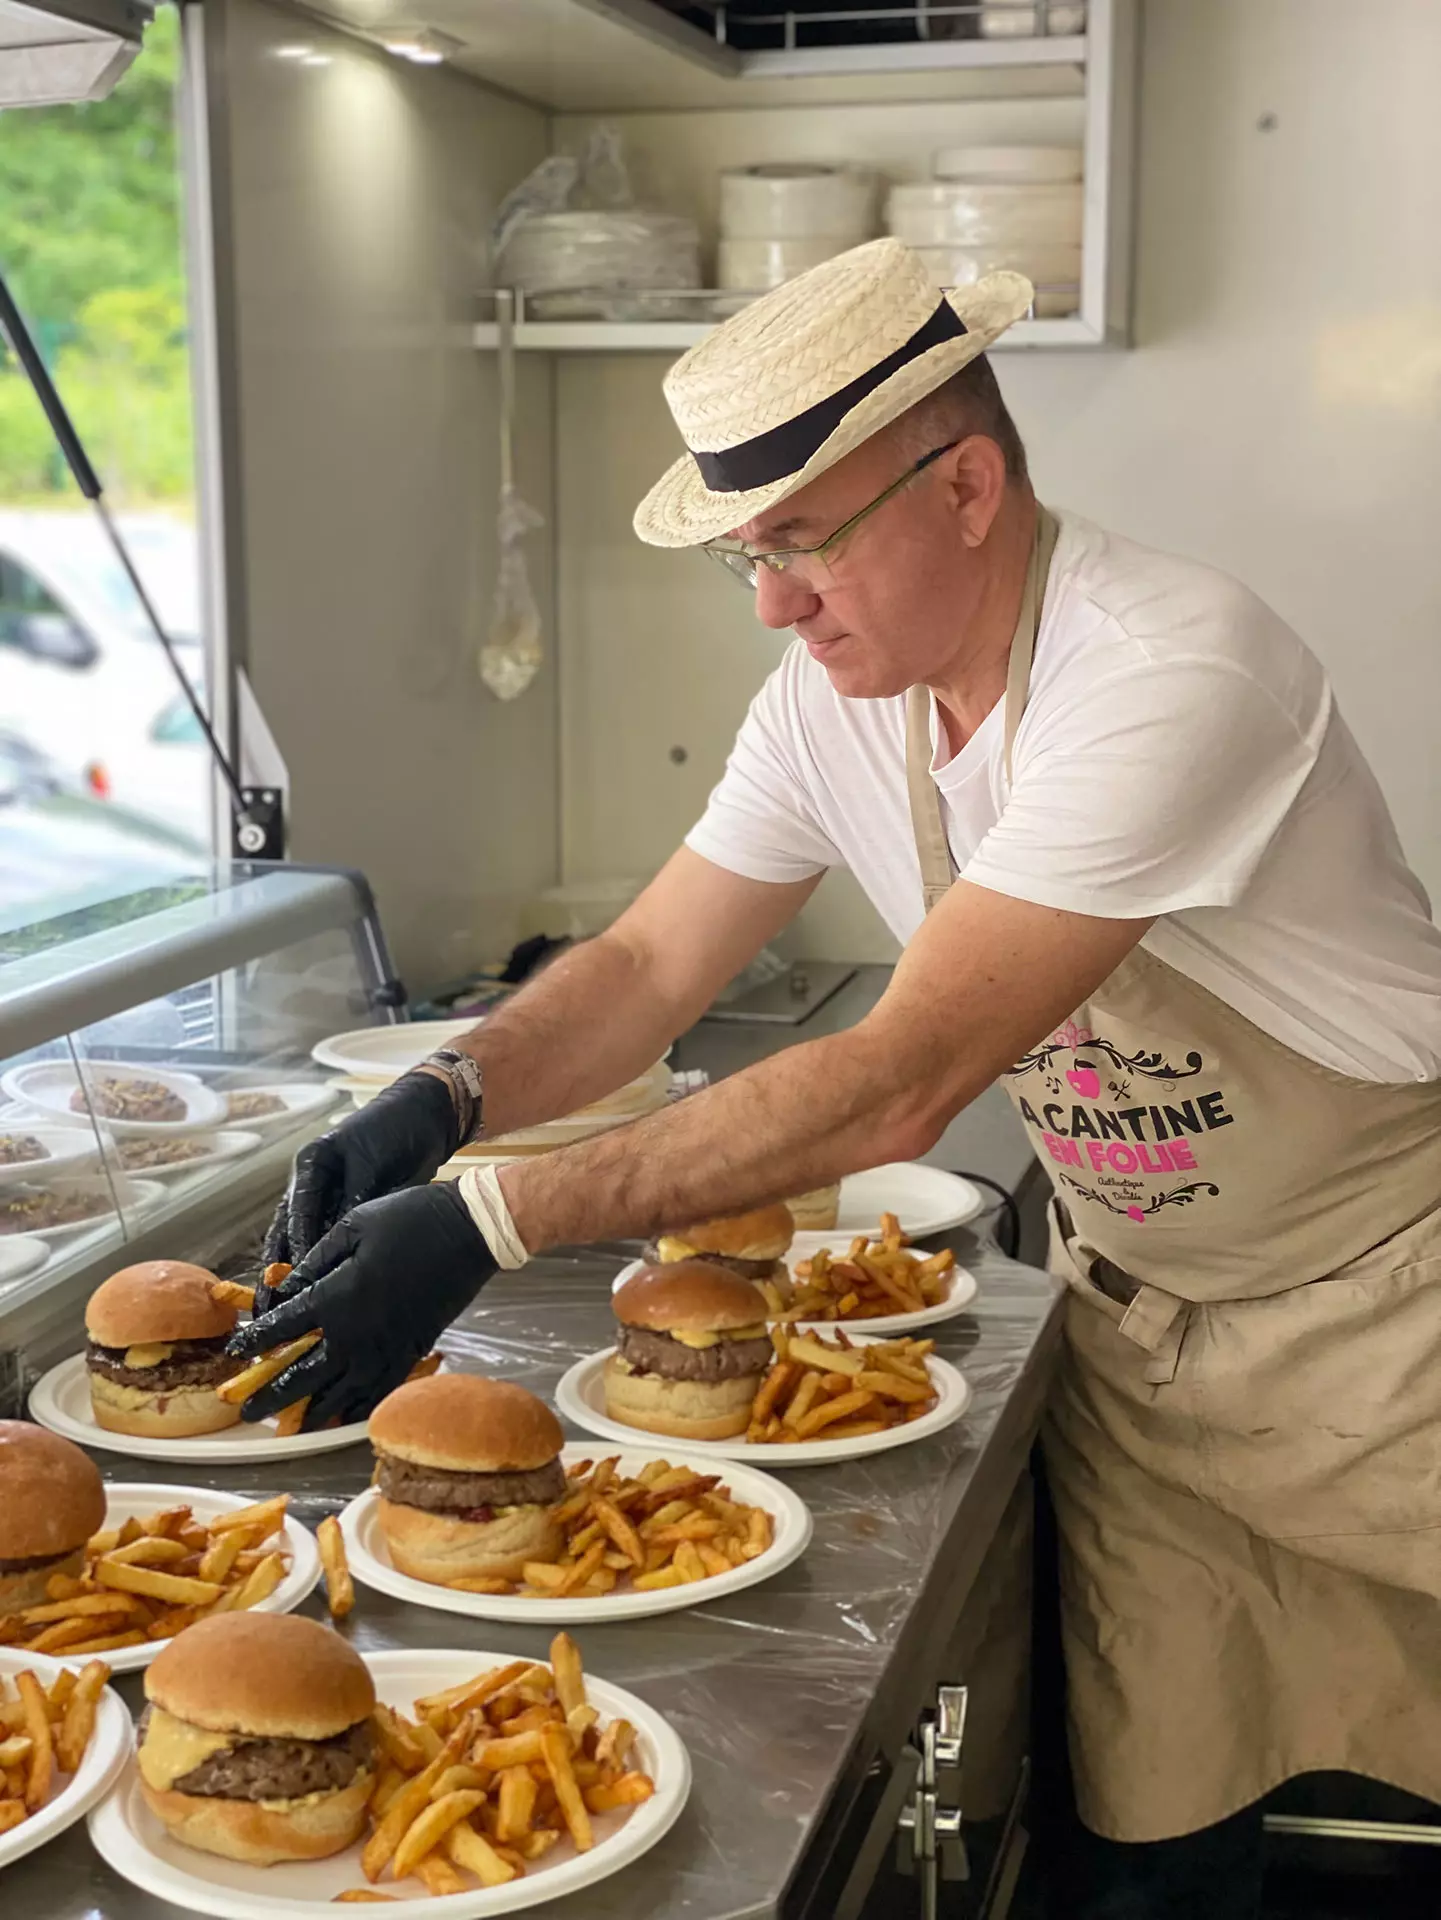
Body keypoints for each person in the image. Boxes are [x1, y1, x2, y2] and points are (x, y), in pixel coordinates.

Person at [229, 238, 1441, 1917]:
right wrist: (443, 1095)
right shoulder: (833, 704)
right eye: (748, 555)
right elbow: (650, 968)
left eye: (804, 542)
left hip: (1387, 1326)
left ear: (967, 487)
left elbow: (898, 1080)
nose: (774, 607)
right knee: (1162, 1837)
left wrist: (491, 1221)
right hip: (1143, 1334)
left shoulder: (1166, 669)